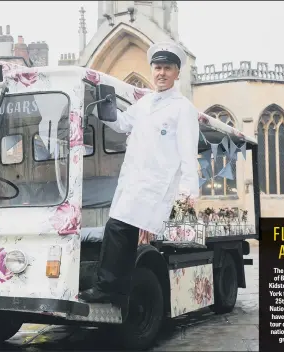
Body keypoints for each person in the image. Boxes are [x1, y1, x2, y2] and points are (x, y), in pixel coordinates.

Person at [78, 42, 200, 315]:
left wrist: (187, 196)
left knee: (116, 229)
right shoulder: (144, 104)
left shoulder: (183, 109)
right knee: (121, 234)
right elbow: (121, 124)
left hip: (155, 188)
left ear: (177, 73)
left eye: (167, 68)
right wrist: (103, 107)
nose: (161, 73)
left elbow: (188, 154)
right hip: (133, 184)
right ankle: (119, 293)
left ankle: (108, 287)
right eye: (157, 67)